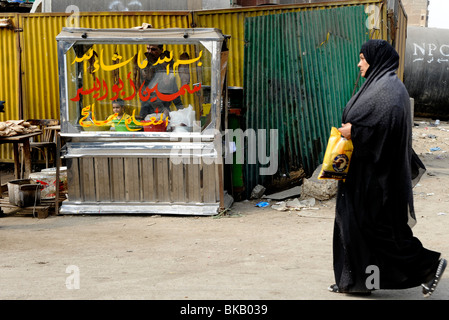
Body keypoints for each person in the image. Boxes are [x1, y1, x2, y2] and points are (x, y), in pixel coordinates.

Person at [329, 39, 446, 297]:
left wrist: (356, 131)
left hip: (375, 177)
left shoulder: (390, 90)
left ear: (376, 60)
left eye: (363, 58)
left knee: (378, 230)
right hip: (360, 174)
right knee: (353, 227)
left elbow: (387, 131)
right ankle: (357, 282)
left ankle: (430, 265)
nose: (359, 63)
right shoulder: (379, 85)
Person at [138, 44, 183, 119]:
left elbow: (173, 86)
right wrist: (162, 109)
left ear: (161, 50)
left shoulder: (166, 63)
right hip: (149, 107)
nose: (149, 52)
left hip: (164, 106)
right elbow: (147, 91)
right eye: (148, 49)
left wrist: (180, 107)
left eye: (153, 49)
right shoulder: (145, 66)